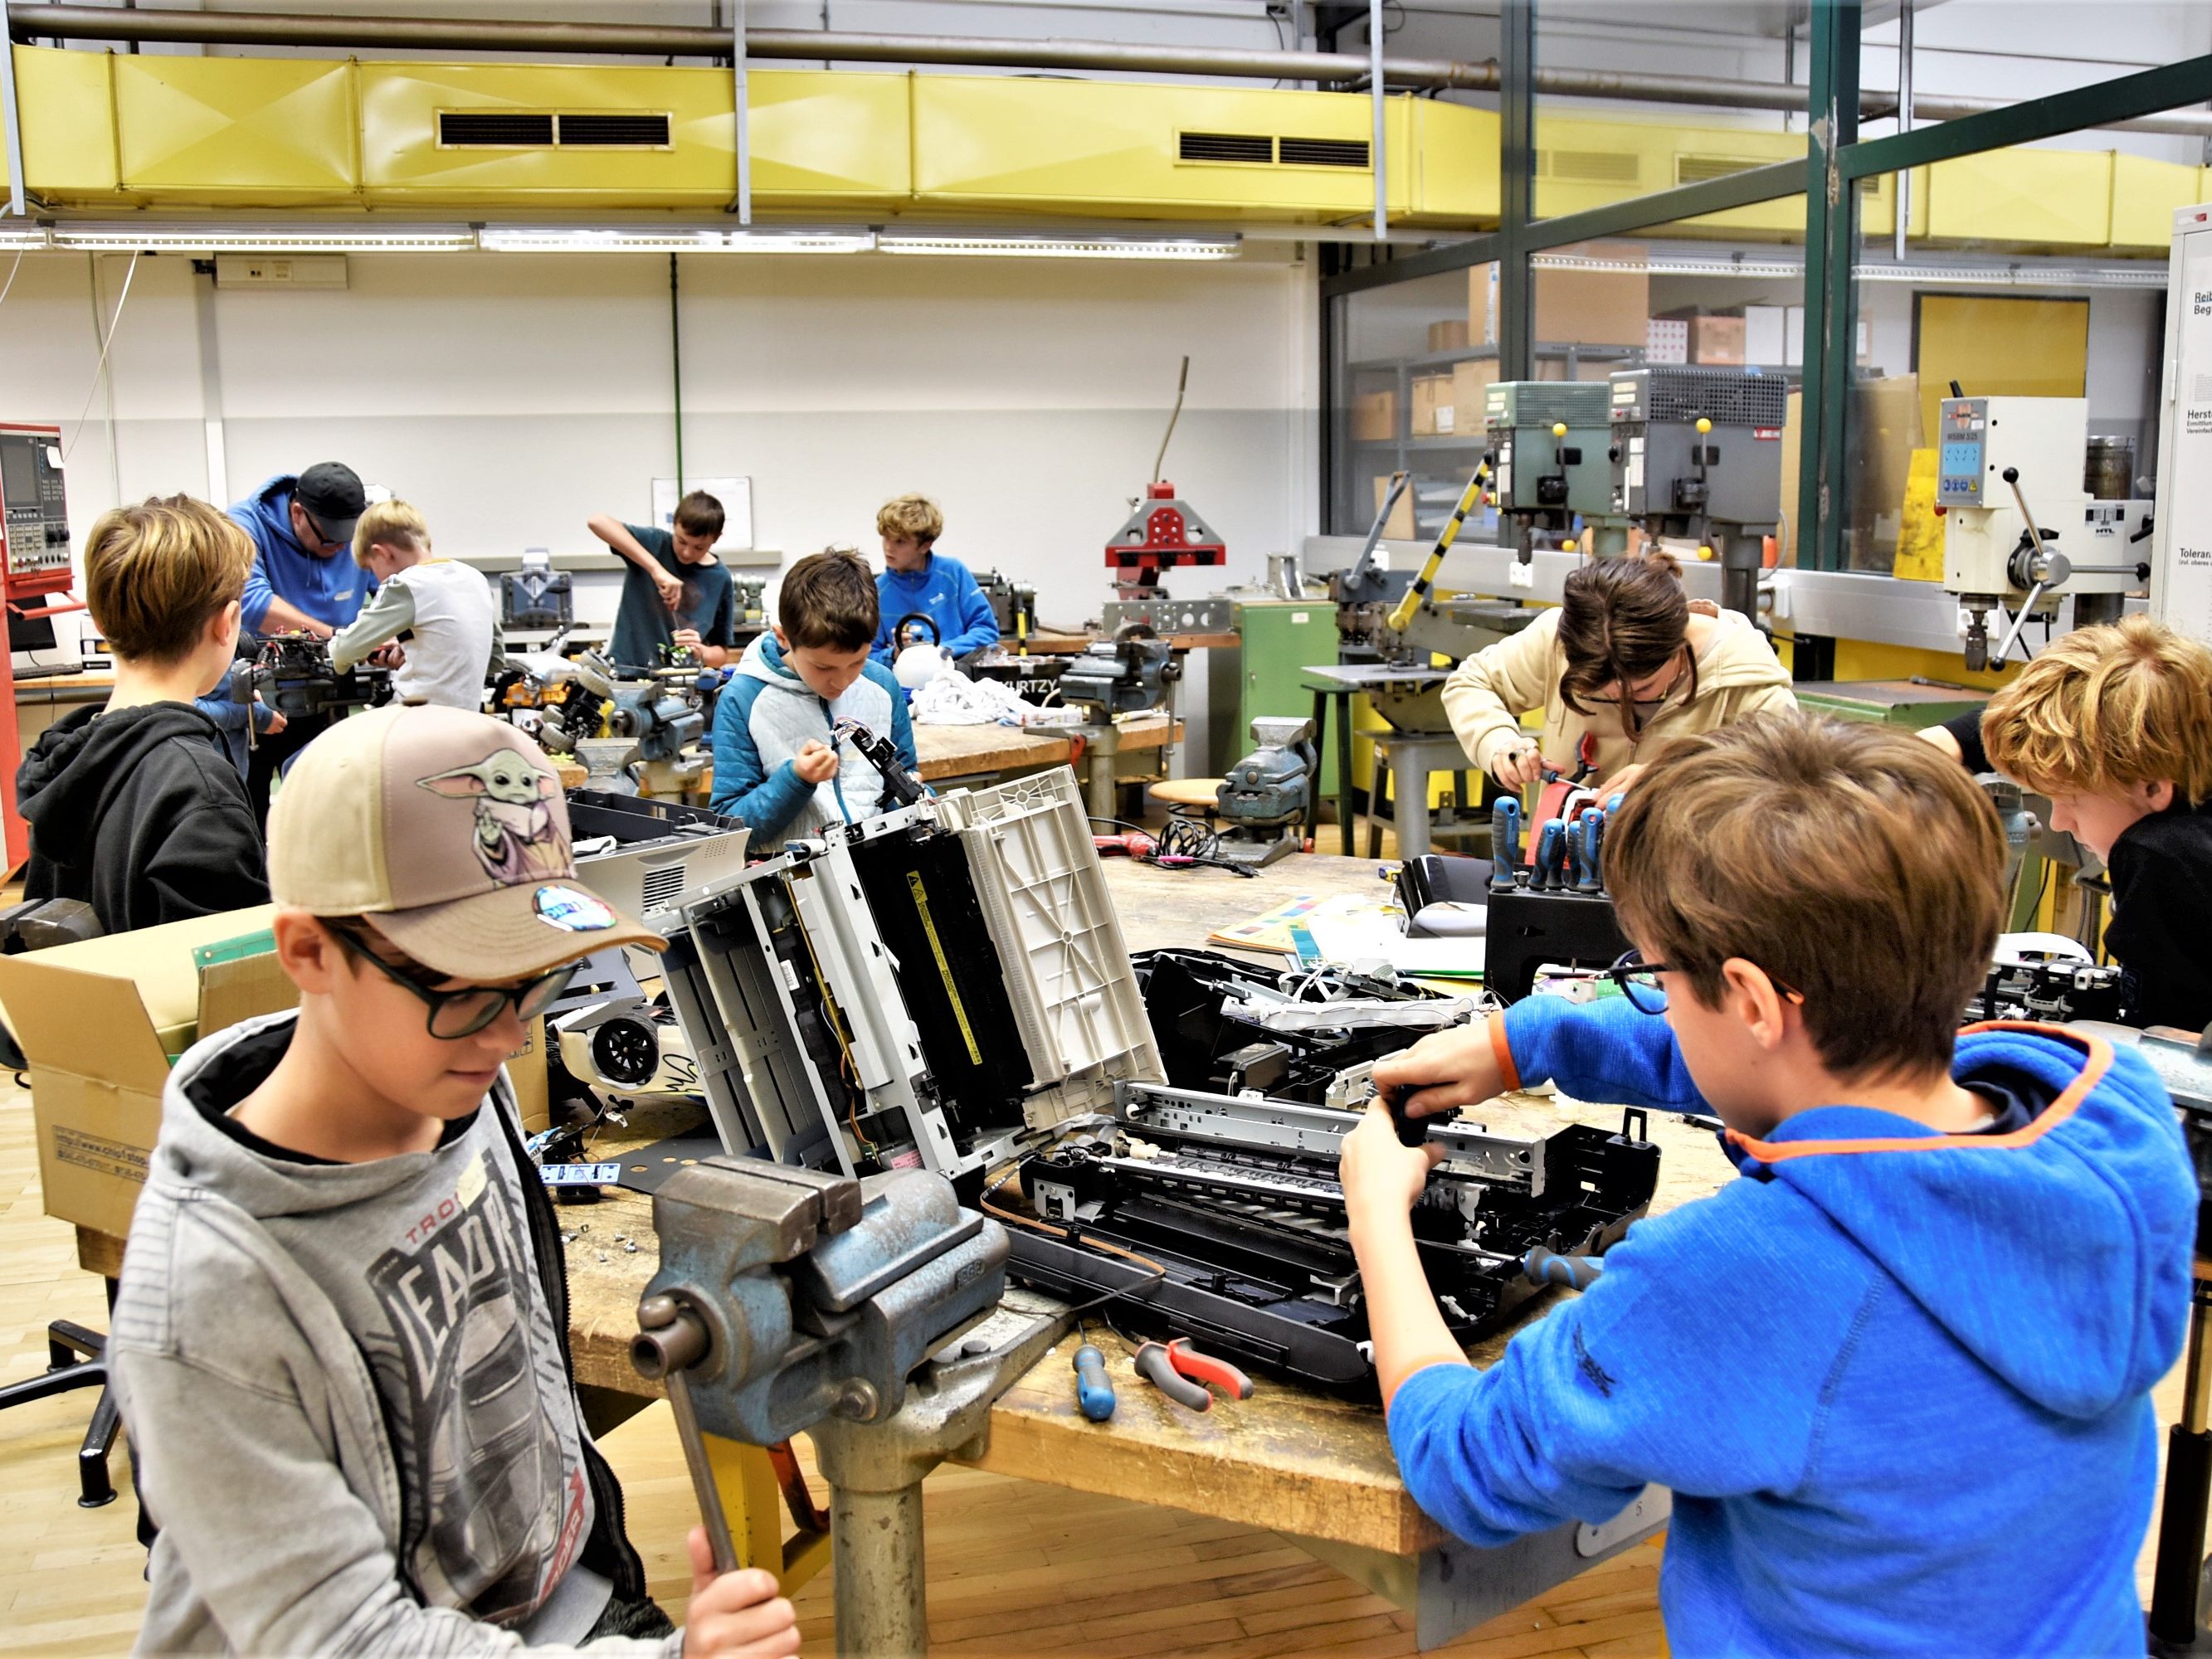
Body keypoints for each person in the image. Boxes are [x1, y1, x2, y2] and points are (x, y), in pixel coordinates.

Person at [1341, 714, 2194, 1659]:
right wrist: (1526, 1040)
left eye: (1654, 977)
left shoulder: (1738, 1276)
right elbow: (1821, 1058)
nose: (1656, 998)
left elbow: (1468, 1465)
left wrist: (1378, 1212)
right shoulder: (2107, 1114)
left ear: (1748, 997)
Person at [106, 705, 802, 1659]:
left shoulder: (451, 1083)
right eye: (464, 989)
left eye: (532, 982)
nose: (509, 1033)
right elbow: (343, 1637)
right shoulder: (207, 1287)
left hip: (565, 1604)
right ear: (309, 949)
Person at [1920, 616, 2212, 1033]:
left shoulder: (2163, 854)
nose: (2060, 820)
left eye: (2069, 799)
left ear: (2153, 788)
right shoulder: (2189, 730)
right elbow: (2075, 729)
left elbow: (2166, 1052)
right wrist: (1952, 740)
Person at [17, 495, 268, 933]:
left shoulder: (67, 763)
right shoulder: (199, 789)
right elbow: (227, 985)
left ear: (99, 621)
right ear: (227, 623)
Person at [1443, 549, 1795, 795]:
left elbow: (1784, 786)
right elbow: (1472, 682)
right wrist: (1499, 742)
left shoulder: (1750, 682)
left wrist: (1673, 782)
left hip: (1688, 887)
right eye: (1599, 691)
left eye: (1641, 690)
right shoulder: (1559, 639)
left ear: (1679, 648)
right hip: (1568, 872)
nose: (1618, 700)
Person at [710, 548, 915, 841]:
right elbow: (730, 830)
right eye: (823, 666)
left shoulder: (882, 685)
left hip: (879, 868)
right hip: (797, 878)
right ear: (783, 637)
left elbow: (907, 774)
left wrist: (914, 797)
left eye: (857, 662)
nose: (843, 681)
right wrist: (795, 779)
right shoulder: (742, 699)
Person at [229, 462, 375, 824]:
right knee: (249, 810)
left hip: (328, 692)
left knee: (326, 812)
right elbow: (253, 602)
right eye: (330, 540)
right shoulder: (244, 525)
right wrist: (344, 639)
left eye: (347, 541)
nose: (340, 549)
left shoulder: (356, 529)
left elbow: (395, 583)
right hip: (261, 700)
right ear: (298, 513)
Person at [331, 499, 504, 710]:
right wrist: (419, 652)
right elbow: (494, 660)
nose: (375, 578)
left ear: (383, 553)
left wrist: (334, 651)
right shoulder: (475, 579)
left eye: (371, 567)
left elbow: (342, 653)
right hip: (466, 720)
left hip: (417, 722)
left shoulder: (405, 584)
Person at [587, 492, 738, 672]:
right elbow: (597, 521)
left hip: (680, 681)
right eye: (681, 541)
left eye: (699, 547)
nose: (687, 552)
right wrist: (655, 569)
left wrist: (701, 651)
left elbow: (721, 655)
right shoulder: (654, 544)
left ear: (716, 538)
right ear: (674, 523)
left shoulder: (720, 579)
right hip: (627, 672)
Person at [870, 493, 999, 664]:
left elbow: (986, 630)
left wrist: (940, 652)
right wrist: (895, 654)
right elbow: (867, 659)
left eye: (900, 541)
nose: (888, 547)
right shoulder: (877, 591)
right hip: (906, 684)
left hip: (957, 677)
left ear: (925, 545)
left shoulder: (953, 572)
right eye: (885, 537)